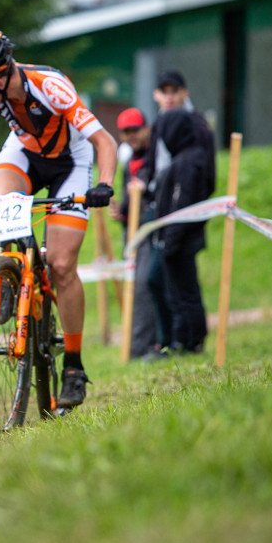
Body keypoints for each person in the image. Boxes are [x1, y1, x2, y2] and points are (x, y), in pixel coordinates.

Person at [0, 31, 118, 409]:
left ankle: (74, 366)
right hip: (25, 154)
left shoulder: (51, 86)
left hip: (70, 163)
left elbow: (104, 141)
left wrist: (106, 186)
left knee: (61, 265)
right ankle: (7, 275)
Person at [141, 71, 216, 356]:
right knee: (169, 284)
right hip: (165, 219)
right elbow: (152, 167)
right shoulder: (162, 124)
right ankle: (175, 340)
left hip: (181, 225)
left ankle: (186, 340)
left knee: (180, 287)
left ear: (184, 92)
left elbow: (192, 188)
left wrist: (174, 233)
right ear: (156, 94)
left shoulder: (195, 135)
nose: (169, 96)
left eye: (175, 90)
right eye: (164, 90)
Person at [110, 108, 158, 360]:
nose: (132, 136)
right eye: (126, 132)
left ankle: (143, 348)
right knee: (133, 287)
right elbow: (127, 191)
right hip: (131, 231)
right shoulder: (128, 160)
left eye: (135, 130)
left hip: (150, 229)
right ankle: (135, 347)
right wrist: (123, 212)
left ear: (146, 129)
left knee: (142, 286)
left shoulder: (156, 156)